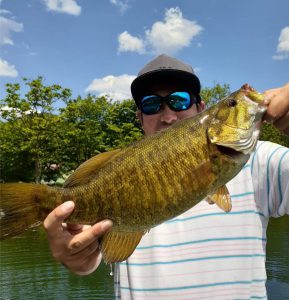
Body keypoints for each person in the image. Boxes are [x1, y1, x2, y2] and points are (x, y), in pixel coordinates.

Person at [43, 54, 289, 299]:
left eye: (179, 101)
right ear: (140, 118)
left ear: (201, 108)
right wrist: (76, 257)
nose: (168, 115)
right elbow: (89, 257)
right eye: (152, 104)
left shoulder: (262, 162)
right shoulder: (117, 173)